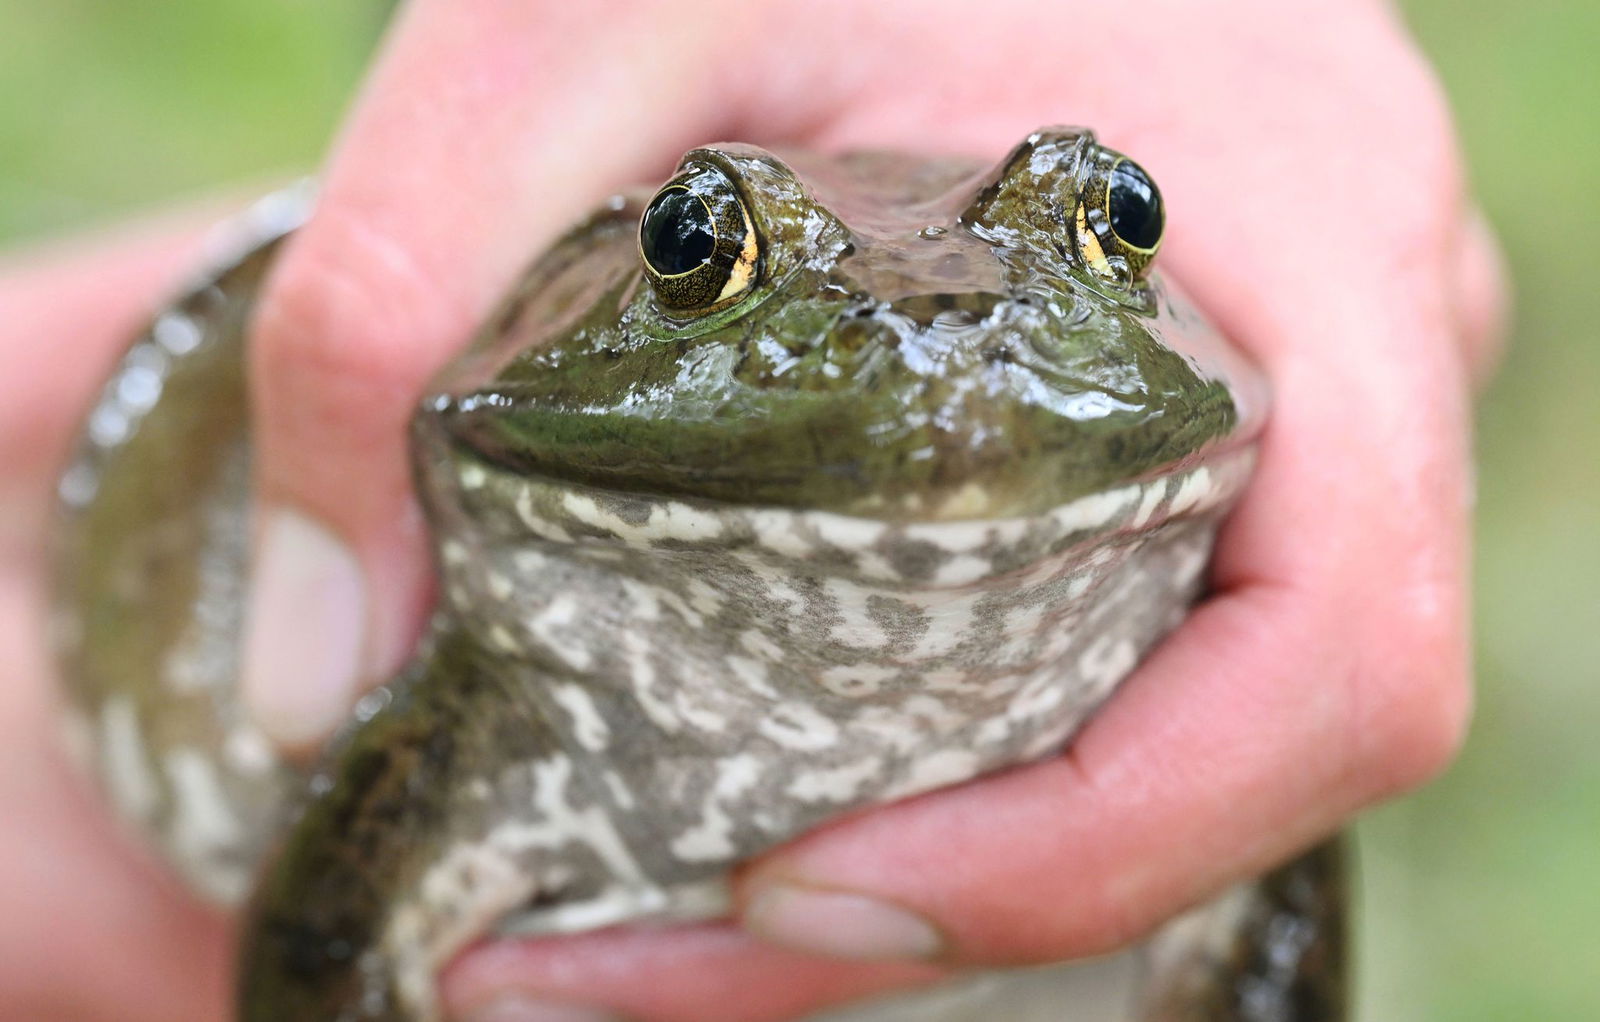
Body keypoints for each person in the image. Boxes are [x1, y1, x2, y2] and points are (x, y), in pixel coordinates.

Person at [0, 1, 1507, 1019]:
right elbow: (323, 947)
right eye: (700, 248)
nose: (946, 383)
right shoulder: (473, 706)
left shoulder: (1161, 540)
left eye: (1107, 227)